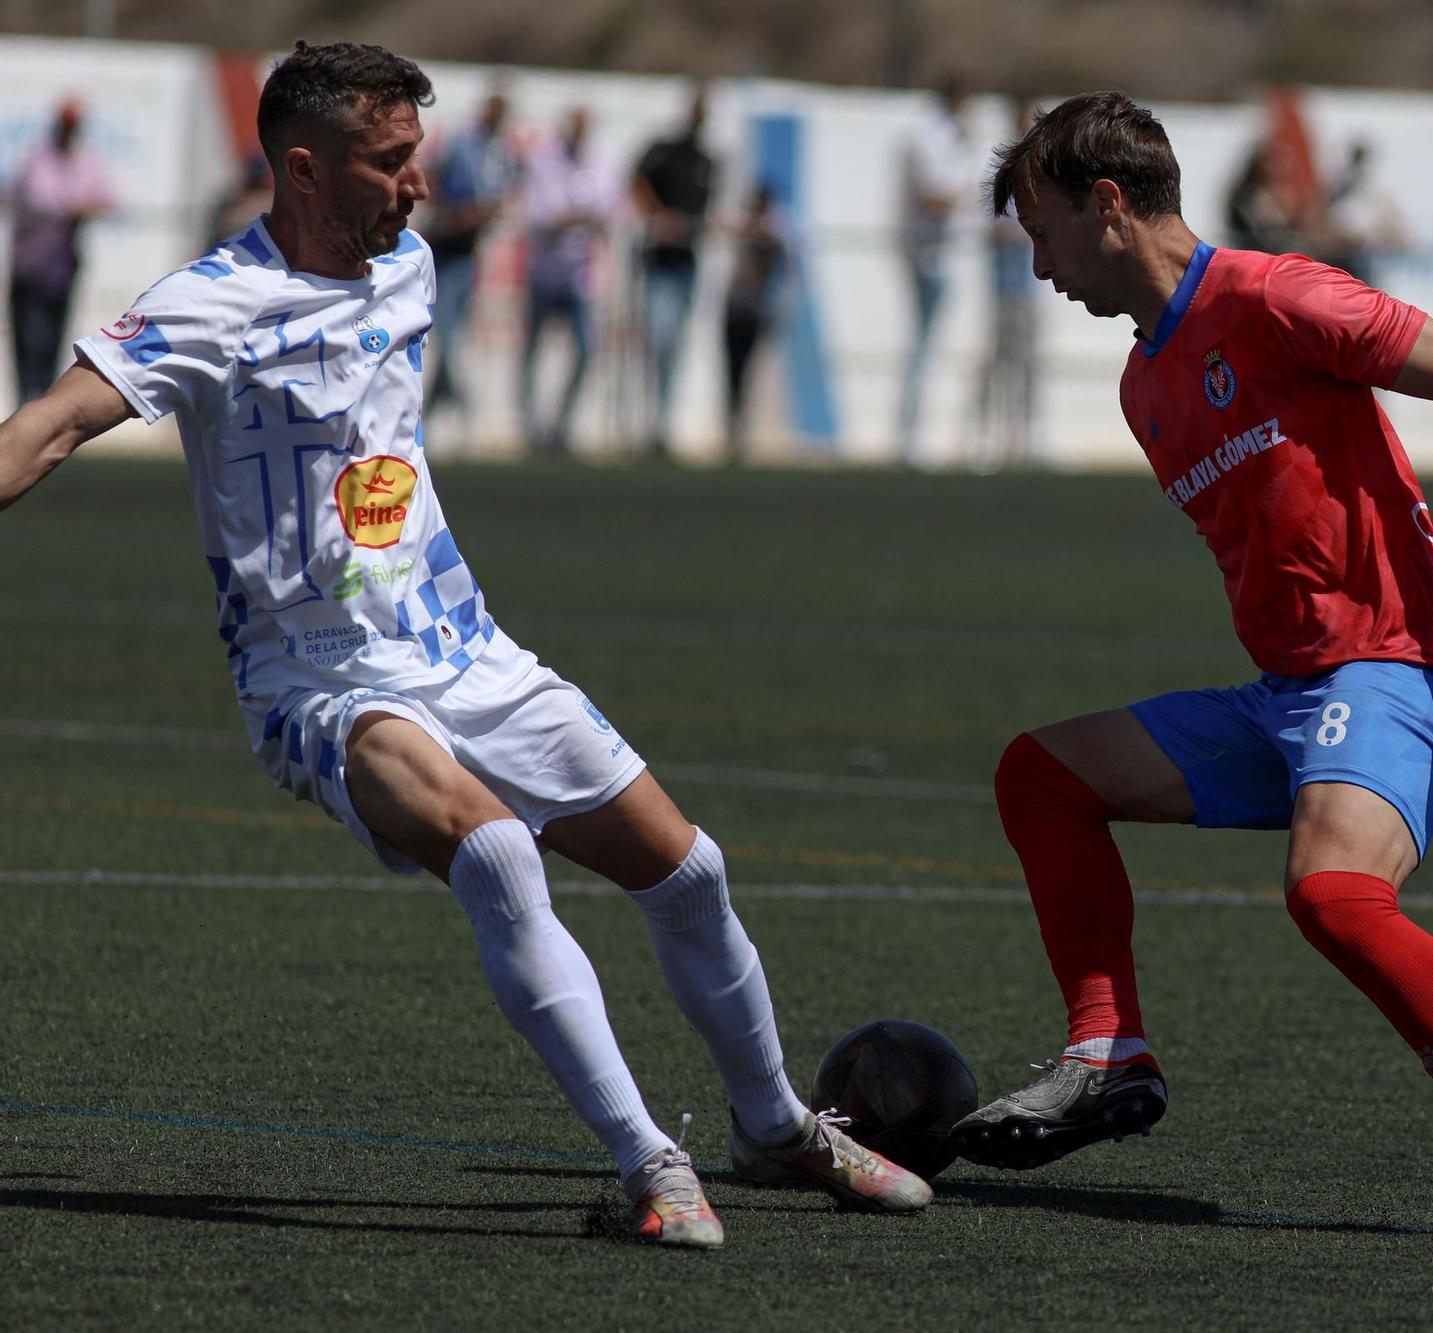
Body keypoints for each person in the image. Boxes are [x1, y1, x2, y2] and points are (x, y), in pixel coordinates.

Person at [0, 41, 930, 1250]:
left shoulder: (410, 268)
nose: (418, 187)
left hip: (466, 649)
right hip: (319, 682)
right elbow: (50, 427)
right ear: (301, 170)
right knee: (495, 855)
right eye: (389, 164)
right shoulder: (207, 304)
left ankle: (772, 1125)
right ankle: (652, 1164)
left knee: (688, 871)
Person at [954, 92, 1433, 1245]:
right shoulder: (1143, 386)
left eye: (1041, 229)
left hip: (1400, 667)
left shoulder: (1277, 296)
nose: (1037, 265)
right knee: (1041, 775)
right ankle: (1105, 1049)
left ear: (1107, 205)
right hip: (1292, 696)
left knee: (1331, 895)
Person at [517, 107, 618, 456]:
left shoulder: (599, 163)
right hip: (545, 272)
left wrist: (586, 220)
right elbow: (538, 214)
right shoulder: (543, 161)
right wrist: (571, 220)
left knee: (586, 351)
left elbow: (608, 212)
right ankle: (533, 428)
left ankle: (561, 425)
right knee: (532, 352)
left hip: (581, 276)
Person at [8, 97, 115, 404]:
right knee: (29, 338)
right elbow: (41, 200)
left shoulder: (85, 160)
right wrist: (78, 205)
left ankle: (41, 402)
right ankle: (27, 402)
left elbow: (107, 199)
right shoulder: (39, 158)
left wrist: (82, 206)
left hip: (64, 260)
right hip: (31, 261)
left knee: (54, 339)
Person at [895, 76, 977, 465]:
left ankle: (913, 435)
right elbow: (935, 199)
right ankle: (909, 438)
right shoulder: (930, 135)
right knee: (923, 348)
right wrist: (967, 190)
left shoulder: (942, 134)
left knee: (926, 347)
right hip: (928, 253)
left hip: (938, 252)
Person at [632, 86, 716, 457]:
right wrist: (657, 218)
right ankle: (650, 422)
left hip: (687, 262)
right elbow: (637, 182)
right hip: (660, 260)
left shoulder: (707, 161)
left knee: (675, 346)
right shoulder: (664, 151)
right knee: (659, 341)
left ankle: (662, 422)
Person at [424, 91, 517, 423]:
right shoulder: (462, 144)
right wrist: (449, 213)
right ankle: (460, 402)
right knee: (445, 330)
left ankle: (436, 408)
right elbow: (434, 178)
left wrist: (482, 214)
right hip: (447, 243)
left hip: (470, 248)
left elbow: (502, 194)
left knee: (454, 330)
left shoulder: (499, 152)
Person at [975, 102, 1039, 469]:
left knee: (1028, 359)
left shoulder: (1044, 169)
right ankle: (991, 437)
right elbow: (993, 221)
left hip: (1029, 283)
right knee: (999, 358)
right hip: (1004, 283)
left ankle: (1025, 437)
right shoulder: (1001, 166)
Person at [719, 185, 786, 463]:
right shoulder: (741, 229)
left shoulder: (774, 233)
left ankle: (748, 428)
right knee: (732, 371)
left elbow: (777, 255)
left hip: (757, 314)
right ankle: (733, 427)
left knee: (752, 373)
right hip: (735, 311)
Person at [1319, 137, 1406, 289]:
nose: (1359, 168)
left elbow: (1400, 237)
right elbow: (1318, 234)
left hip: (1370, 272)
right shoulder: (1333, 195)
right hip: (1338, 272)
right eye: (1355, 160)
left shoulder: (1381, 198)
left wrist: (1373, 238)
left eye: (1363, 161)